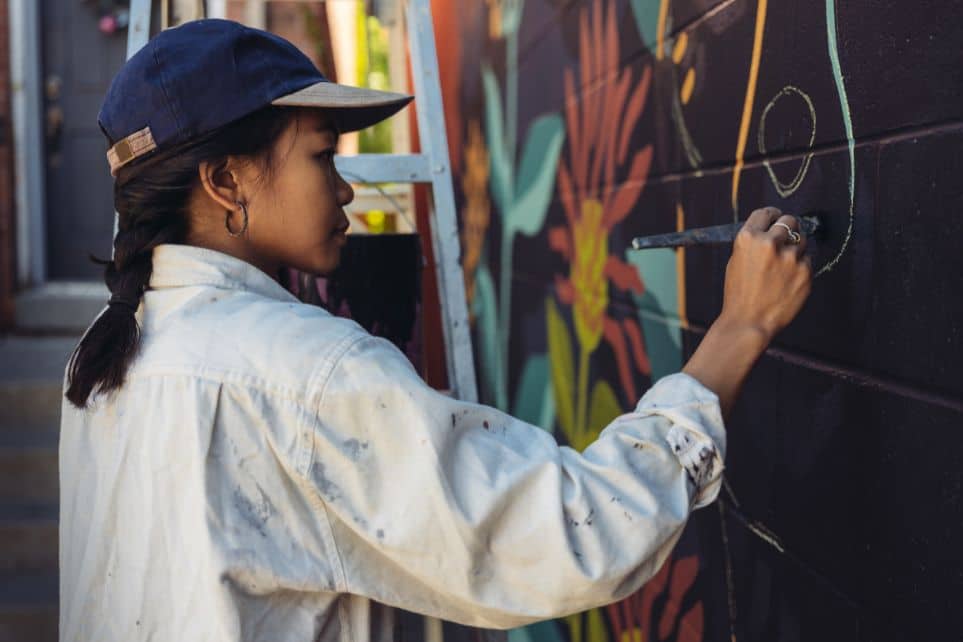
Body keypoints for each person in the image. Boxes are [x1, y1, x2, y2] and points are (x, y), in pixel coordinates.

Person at [58, 18, 812, 642]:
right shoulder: (302, 372)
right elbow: (573, 534)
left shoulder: (104, 355)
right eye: (323, 155)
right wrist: (738, 329)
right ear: (225, 181)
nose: (346, 186)